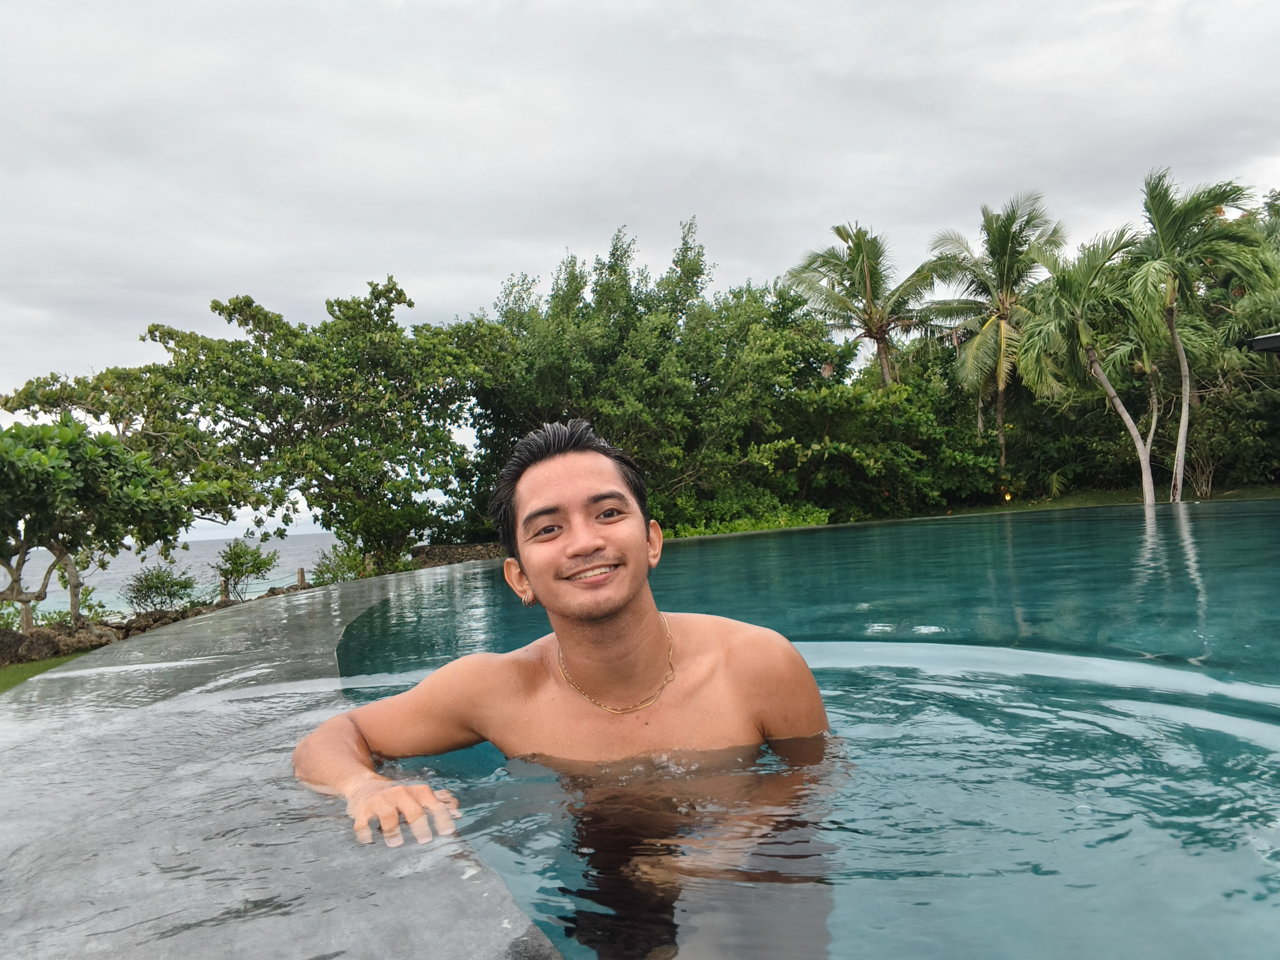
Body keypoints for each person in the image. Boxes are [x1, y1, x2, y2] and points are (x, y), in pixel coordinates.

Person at [292, 419, 829, 849]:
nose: (584, 543)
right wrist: (364, 787)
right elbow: (333, 737)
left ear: (651, 541)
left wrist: (721, 852)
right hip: (600, 885)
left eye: (608, 513)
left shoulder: (757, 664)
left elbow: (814, 789)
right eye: (548, 528)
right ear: (520, 578)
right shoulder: (494, 691)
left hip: (753, 877)